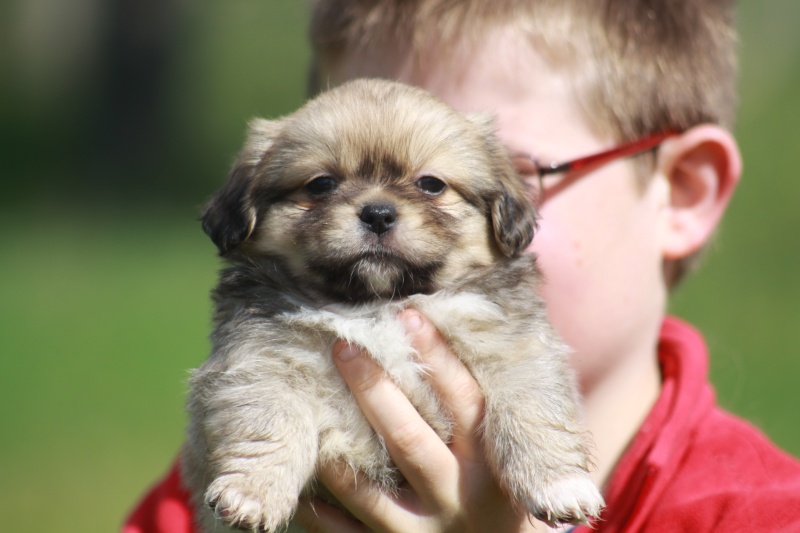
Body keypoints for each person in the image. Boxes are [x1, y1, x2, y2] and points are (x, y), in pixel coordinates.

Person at [123, 1, 800, 531]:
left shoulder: (757, 517)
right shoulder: (184, 501)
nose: (379, 210)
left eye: (433, 183)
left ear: (682, 192)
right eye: (323, 183)